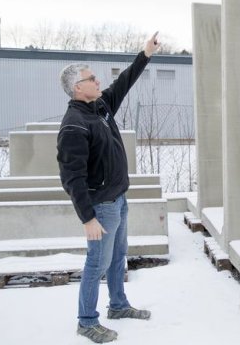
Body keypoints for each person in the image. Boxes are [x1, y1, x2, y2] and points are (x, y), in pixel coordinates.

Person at [57, 32, 160, 343]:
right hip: (100, 206)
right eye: (91, 78)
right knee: (96, 263)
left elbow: (123, 84)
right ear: (78, 88)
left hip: (118, 199)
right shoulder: (74, 124)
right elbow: (71, 177)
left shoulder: (99, 108)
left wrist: (145, 54)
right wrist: (87, 218)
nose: (98, 80)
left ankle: (118, 305)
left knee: (118, 256)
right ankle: (87, 321)